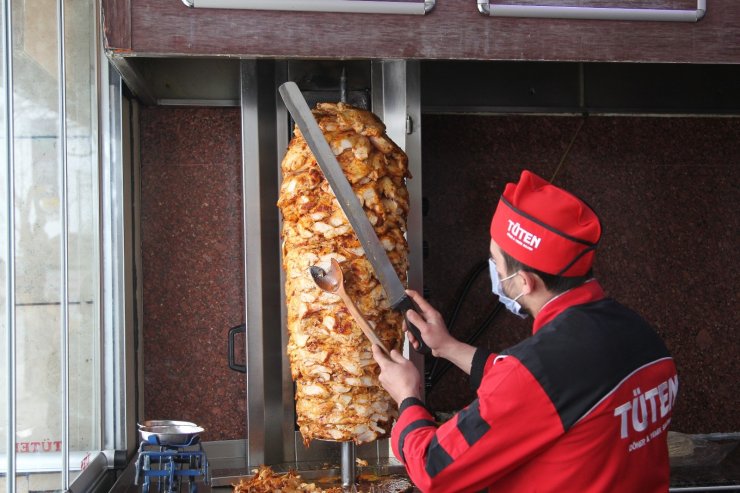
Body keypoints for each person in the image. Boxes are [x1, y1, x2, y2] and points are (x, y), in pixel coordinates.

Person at [372, 170, 678, 493]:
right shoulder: (642, 335)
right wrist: (447, 346)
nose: (494, 273)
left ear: (524, 283)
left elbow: (433, 469)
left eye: (495, 263)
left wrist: (407, 396)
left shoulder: (539, 375)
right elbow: (549, 388)